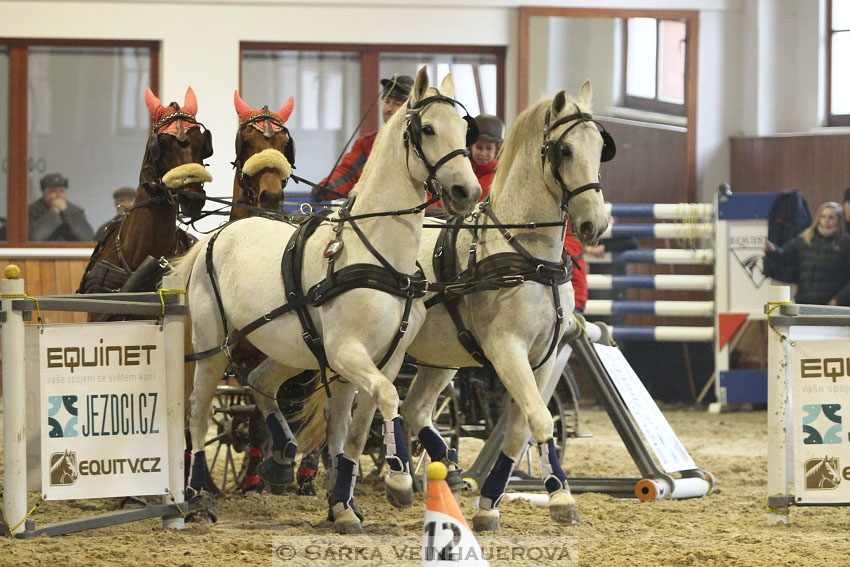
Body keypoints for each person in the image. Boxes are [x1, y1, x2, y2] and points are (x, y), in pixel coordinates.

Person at [310, 74, 414, 201]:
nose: (388, 108)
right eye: (387, 102)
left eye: (397, 104)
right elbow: (348, 174)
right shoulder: (368, 143)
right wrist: (326, 188)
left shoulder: (423, 144)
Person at [763, 201, 850, 306]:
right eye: (823, 216)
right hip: (804, 300)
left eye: (831, 217)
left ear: (839, 220)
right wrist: (773, 251)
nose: (826, 220)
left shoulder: (846, 243)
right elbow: (786, 257)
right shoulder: (805, 239)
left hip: (831, 304)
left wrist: (838, 300)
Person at [28, 173, 95, 242]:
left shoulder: (75, 210)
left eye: (62, 191)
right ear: (44, 193)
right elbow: (35, 237)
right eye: (53, 191)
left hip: (71, 251)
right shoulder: (32, 210)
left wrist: (67, 212)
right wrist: (54, 212)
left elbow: (88, 237)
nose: (58, 195)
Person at [469, 114, 504, 199]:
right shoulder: (462, 170)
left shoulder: (500, 177)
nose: (483, 154)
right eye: (479, 147)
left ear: (496, 149)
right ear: (471, 146)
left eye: (489, 148)